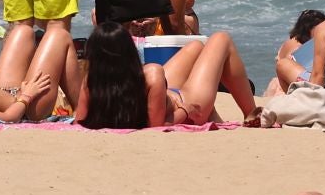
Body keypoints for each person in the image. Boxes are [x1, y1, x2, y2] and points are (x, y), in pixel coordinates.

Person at [76, 22, 257, 128]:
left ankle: (214, 114)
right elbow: (157, 126)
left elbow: (80, 122)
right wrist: (186, 110)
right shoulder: (152, 74)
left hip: (165, 97)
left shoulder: (92, 80)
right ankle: (251, 113)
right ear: (129, 51)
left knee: (195, 47)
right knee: (221, 39)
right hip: (187, 105)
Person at [273, 9, 325, 93]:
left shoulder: (291, 40)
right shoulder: (299, 50)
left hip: (279, 81)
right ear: (309, 29)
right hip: (288, 86)